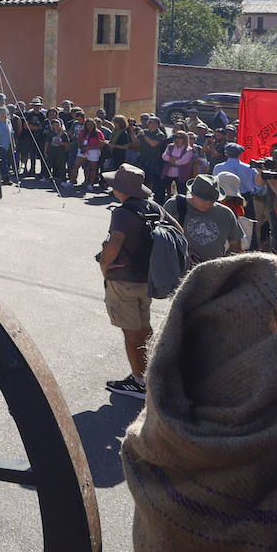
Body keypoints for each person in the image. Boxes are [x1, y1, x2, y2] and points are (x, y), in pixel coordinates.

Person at [98, 164, 169, 400]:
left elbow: (114, 244)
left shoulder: (122, 213)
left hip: (124, 280)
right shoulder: (154, 206)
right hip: (146, 279)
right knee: (143, 328)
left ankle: (139, 382)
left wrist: (104, 266)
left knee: (131, 333)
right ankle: (149, 374)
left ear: (121, 189)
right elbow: (175, 230)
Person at [165, 174, 241, 263]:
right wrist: (183, 251)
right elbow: (162, 238)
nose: (208, 203)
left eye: (212, 200)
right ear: (192, 194)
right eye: (204, 199)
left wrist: (225, 263)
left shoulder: (226, 213)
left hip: (213, 271)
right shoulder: (174, 206)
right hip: (179, 268)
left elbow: (235, 244)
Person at [158, 132, 195, 201]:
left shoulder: (189, 149)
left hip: (181, 174)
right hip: (168, 172)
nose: (178, 139)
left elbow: (183, 161)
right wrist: (173, 159)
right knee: (161, 188)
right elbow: (164, 156)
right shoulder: (170, 146)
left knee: (181, 192)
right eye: (176, 137)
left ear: (185, 139)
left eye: (180, 137)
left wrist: (171, 159)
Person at [137, 117, 168, 191]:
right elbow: (136, 142)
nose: (151, 124)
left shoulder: (160, 134)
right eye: (150, 122)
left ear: (157, 124)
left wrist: (144, 135)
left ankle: (152, 194)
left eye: (153, 123)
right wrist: (132, 131)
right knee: (141, 177)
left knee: (153, 178)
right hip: (143, 158)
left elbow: (153, 144)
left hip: (154, 159)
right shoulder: (144, 131)